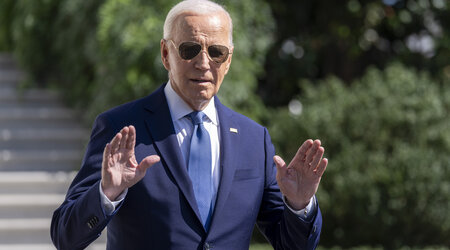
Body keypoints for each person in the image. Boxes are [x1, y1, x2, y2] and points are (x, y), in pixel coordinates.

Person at [51, 0, 328, 249]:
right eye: (190, 49)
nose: (203, 63)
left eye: (216, 51)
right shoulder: (120, 127)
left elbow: (293, 246)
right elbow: (65, 237)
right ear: (165, 54)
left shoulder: (254, 140)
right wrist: (107, 192)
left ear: (228, 61)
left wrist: (299, 205)